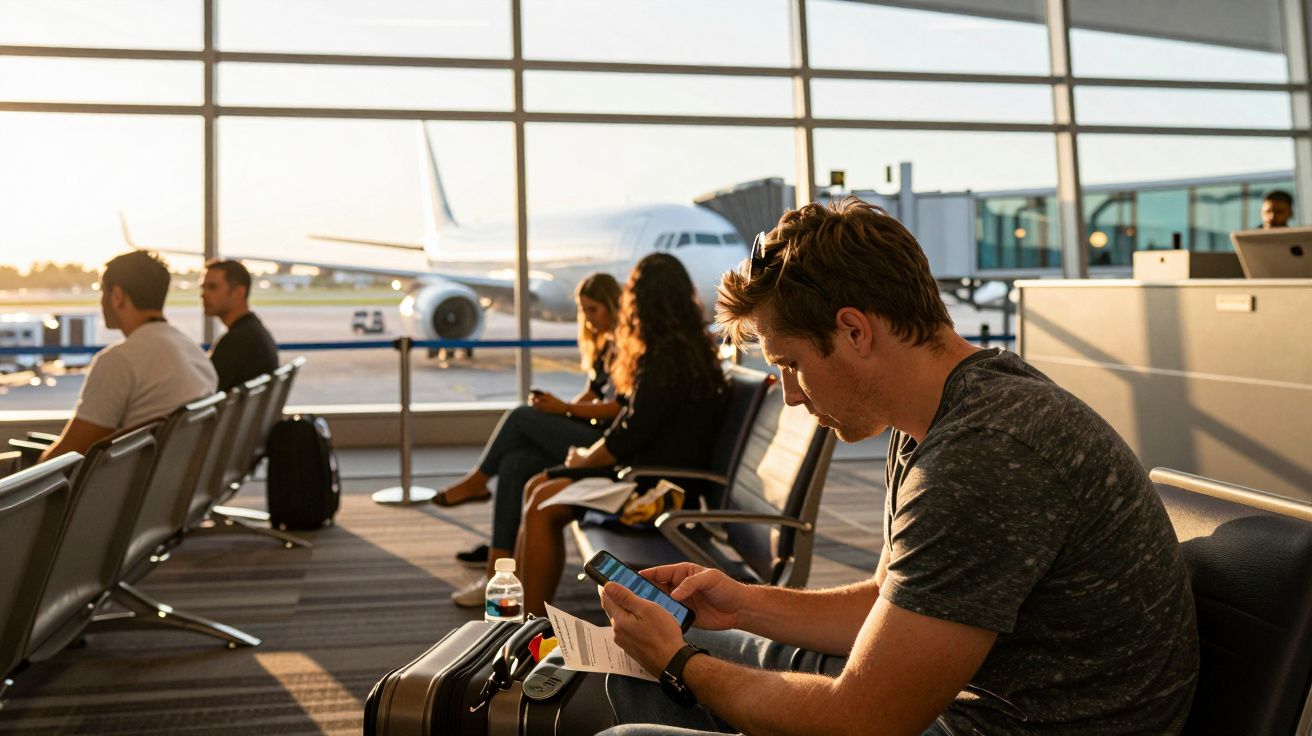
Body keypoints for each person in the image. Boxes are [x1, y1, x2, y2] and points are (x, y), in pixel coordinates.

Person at [595, 199, 1199, 736]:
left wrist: (681, 664)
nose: (790, 395)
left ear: (854, 330)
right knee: (628, 676)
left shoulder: (986, 455)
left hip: (977, 721)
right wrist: (743, 605)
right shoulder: (935, 416)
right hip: (952, 702)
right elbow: (887, 600)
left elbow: (863, 720)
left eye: (792, 364)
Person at [513, 253, 727, 617]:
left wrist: (583, 460)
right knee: (538, 488)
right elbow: (636, 423)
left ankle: (529, 622)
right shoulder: (688, 351)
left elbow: (629, 433)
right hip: (658, 476)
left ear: (640, 302)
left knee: (542, 502)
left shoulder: (665, 359)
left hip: (656, 489)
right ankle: (524, 614)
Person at [443, 273, 625, 606]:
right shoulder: (607, 345)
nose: (589, 319)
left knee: (519, 417)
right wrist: (560, 408)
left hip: (607, 444)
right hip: (594, 431)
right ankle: (496, 577)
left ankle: (477, 480)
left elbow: (625, 410)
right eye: (584, 311)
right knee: (515, 465)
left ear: (615, 305)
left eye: (594, 310)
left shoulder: (630, 346)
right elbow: (595, 394)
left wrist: (565, 409)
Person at [40, 251, 217, 461]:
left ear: (117, 296)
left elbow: (68, 453)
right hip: (170, 485)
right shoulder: (196, 356)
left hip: (122, 491)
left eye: (101, 291)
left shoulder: (118, 361)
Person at [201, 258, 279, 390]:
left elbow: (204, 391)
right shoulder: (254, 332)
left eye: (212, 287)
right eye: (203, 287)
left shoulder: (237, 342)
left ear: (238, 293)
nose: (203, 294)